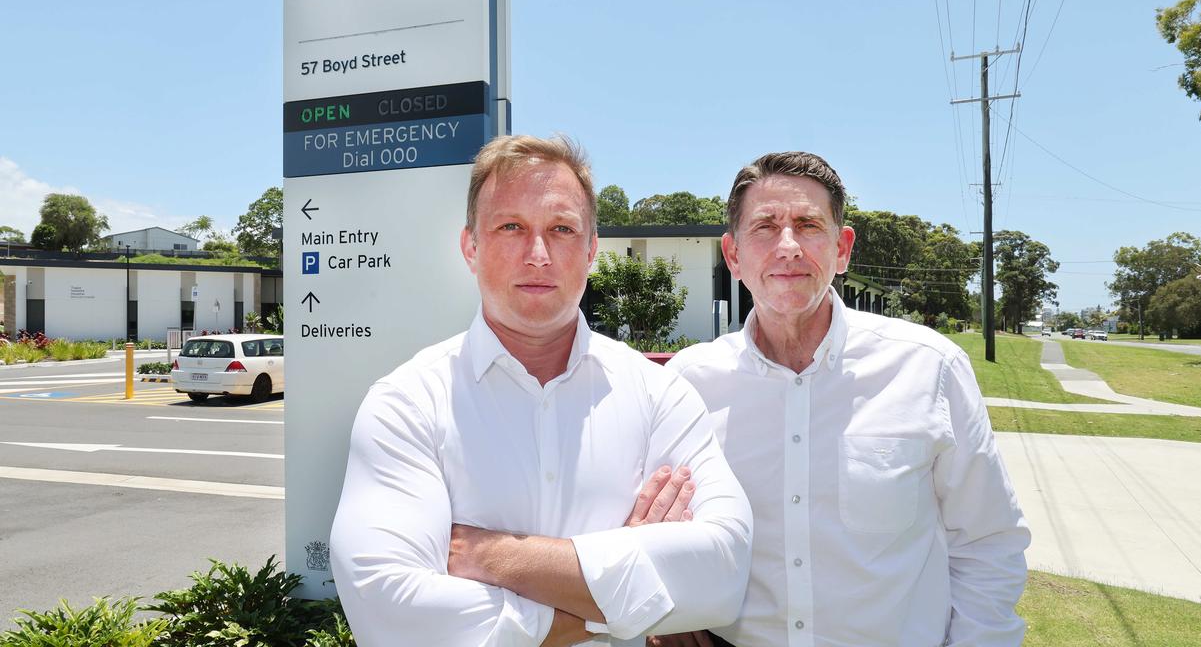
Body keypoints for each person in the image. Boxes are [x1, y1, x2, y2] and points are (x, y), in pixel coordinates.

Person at [330, 135, 753, 647]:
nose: (537, 255)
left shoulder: (659, 394)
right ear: (471, 246)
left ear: (592, 249)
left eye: (561, 229)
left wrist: (492, 556)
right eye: (511, 227)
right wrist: (629, 601)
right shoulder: (407, 403)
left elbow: (722, 578)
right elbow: (389, 611)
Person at [659, 152, 1030, 647]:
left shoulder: (929, 368)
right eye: (765, 227)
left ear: (842, 248)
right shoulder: (691, 383)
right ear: (733, 254)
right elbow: (662, 531)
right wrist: (671, 615)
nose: (787, 246)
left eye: (808, 225)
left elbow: (987, 543)